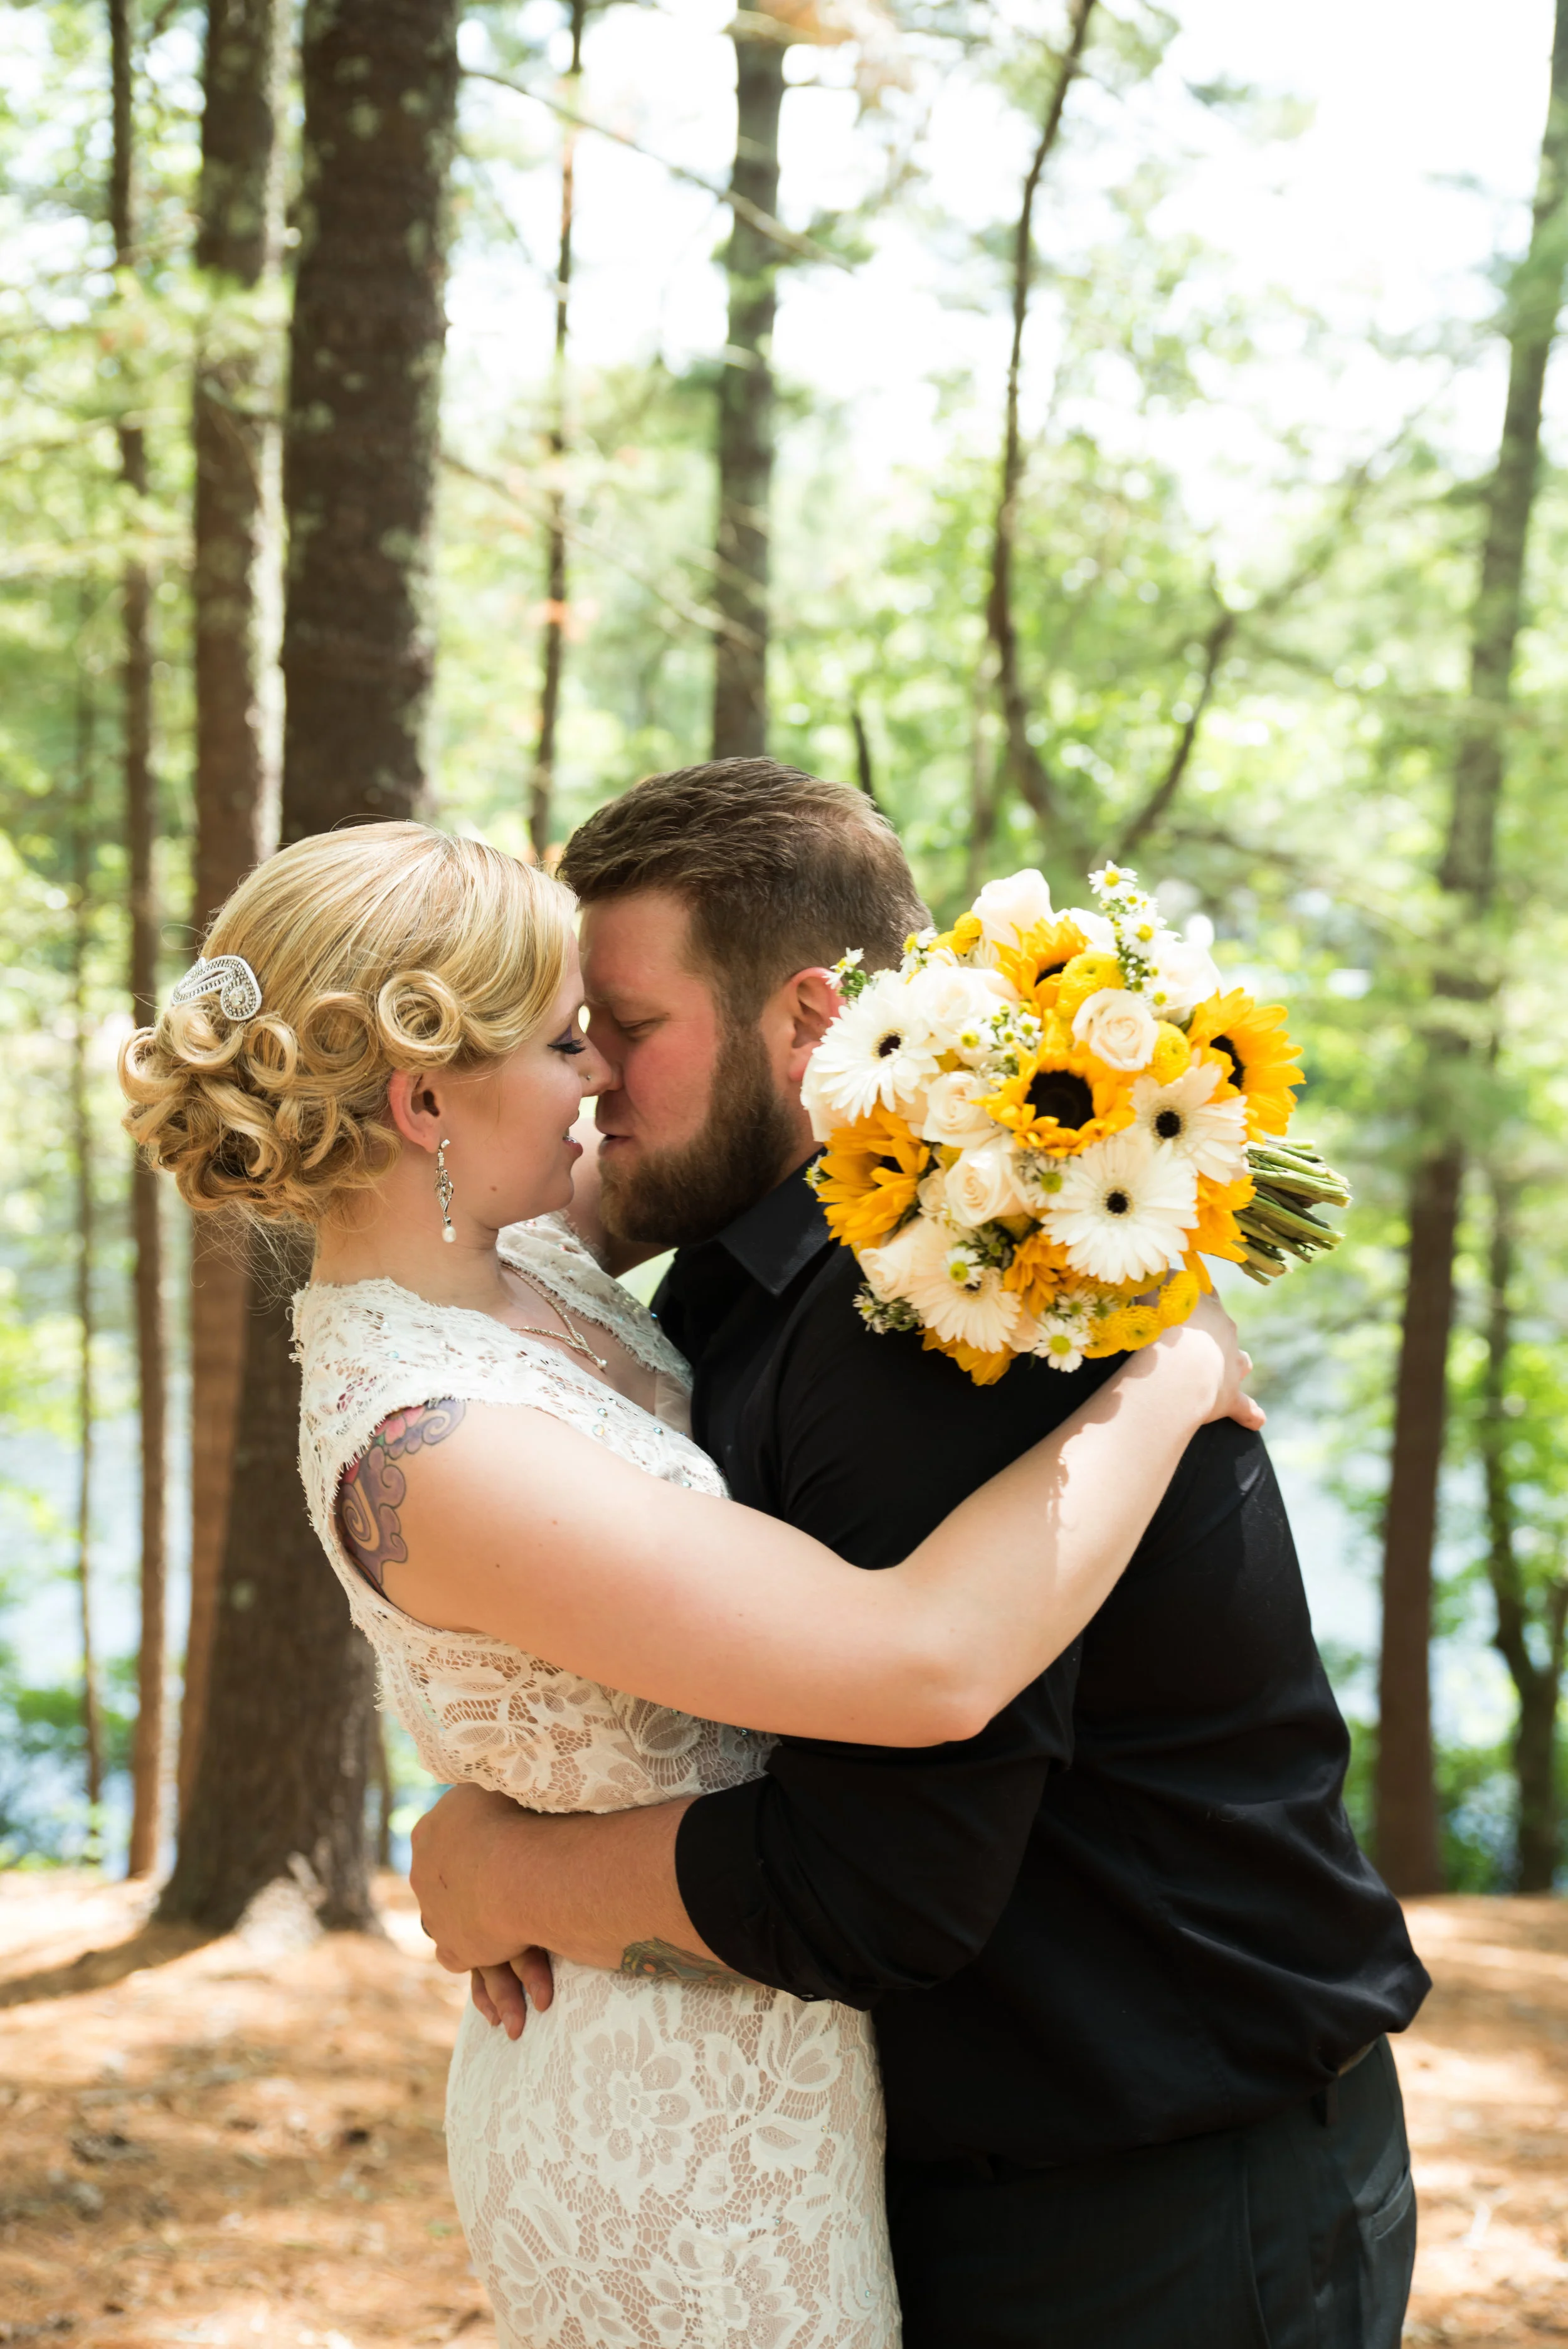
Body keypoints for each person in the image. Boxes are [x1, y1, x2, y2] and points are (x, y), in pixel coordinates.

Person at [119, 817, 1261, 2349]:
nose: (596, 1074)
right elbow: (925, 1665)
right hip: (661, 2131)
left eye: (609, 1030)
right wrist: (1168, 1373)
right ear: (423, 1101)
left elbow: (749, 1131)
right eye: (560, 1042)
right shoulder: (434, 1441)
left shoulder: (521, 1260)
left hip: (776, 2063)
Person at [410, 760, 1433, 2349]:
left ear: (809, 1019)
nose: (591, 1074)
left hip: (1155, 2201)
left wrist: (505, 1874)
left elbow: (879, 1883)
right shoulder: (761, 1270)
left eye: (627, 1026)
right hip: (1009, 2169)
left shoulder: (944, 1304)